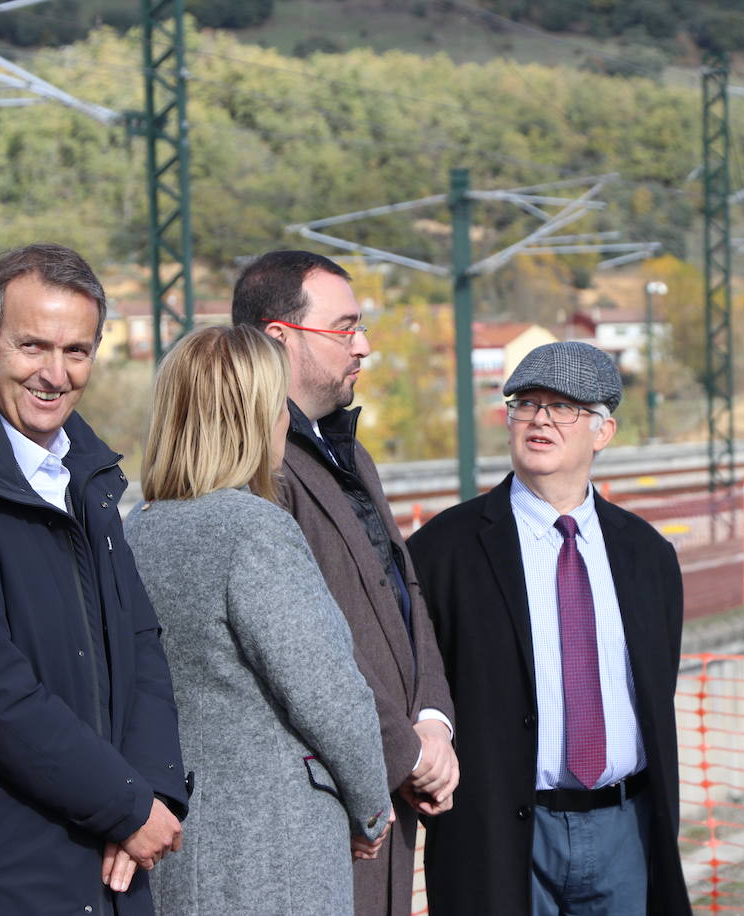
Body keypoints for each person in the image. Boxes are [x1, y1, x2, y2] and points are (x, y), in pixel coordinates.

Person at [0, 243, 187, 916]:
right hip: (12, 872)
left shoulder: (87, 472)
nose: (56, 373)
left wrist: (155, 791)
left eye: (76, 351)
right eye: (33, 347)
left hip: (111, 863)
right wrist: (123, 802)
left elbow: (140, 640)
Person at [407, 341, 691, 916]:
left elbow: (659, 687)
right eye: (526, 403)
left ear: (602, 431)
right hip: (501, 834)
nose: (539, 418)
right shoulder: (442, 551)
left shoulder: (646, 556)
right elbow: (412, 677)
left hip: (625, 831)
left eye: (563, 407)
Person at [125, 325, 392, 915]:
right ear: (252, 418)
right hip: (274, 848)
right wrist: (371, 808)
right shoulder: (254, 531)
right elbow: (329, 694)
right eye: (279, 407)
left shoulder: (138, 529)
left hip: (179, 843)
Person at [232, 249, 458, 916]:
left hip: (389, 783)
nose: (363, 346)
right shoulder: (255, 466)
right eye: (345, 328)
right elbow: (301, 649)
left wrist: (434, 721)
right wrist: (404, 751)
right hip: (328, 804)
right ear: (279, 338)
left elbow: (404, 596)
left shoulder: (351, 452)